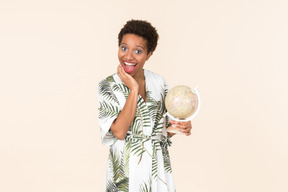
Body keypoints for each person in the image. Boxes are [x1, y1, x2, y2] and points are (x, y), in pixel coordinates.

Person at [98, 19, 192, 191]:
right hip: (126, 169)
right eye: (124, 48)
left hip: (157, 166)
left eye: (138, 51)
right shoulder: (108, 85)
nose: (128, 56)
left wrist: (179, 128)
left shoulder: (159, 82)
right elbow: (118, 132)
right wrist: (133, 89)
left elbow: (161, 131)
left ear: (149, 54)